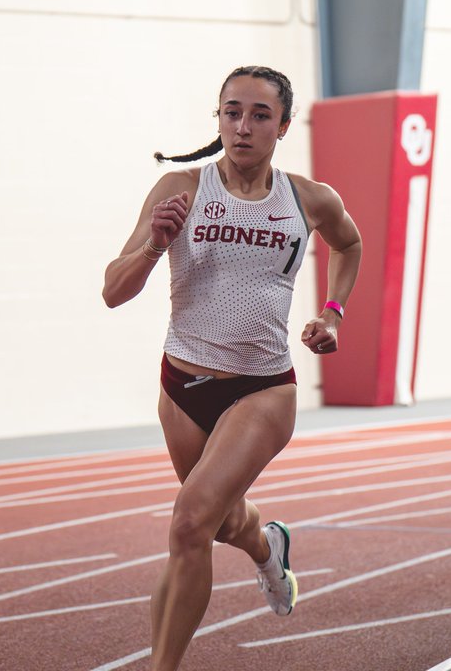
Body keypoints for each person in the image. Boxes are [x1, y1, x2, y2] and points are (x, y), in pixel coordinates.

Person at [102, 66, 362, 670]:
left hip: (264, 387)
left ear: (283, 126)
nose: (243, 127)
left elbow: (348, 244)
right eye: (232, 112)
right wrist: (152, 245)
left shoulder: (308, 198)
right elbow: (114, 291)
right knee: (215, 523)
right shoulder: (183, 189)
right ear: (218, 119)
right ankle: (267, 546)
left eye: (259, 115)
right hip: (183, 385)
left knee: (190, 522)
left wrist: (334, 314)